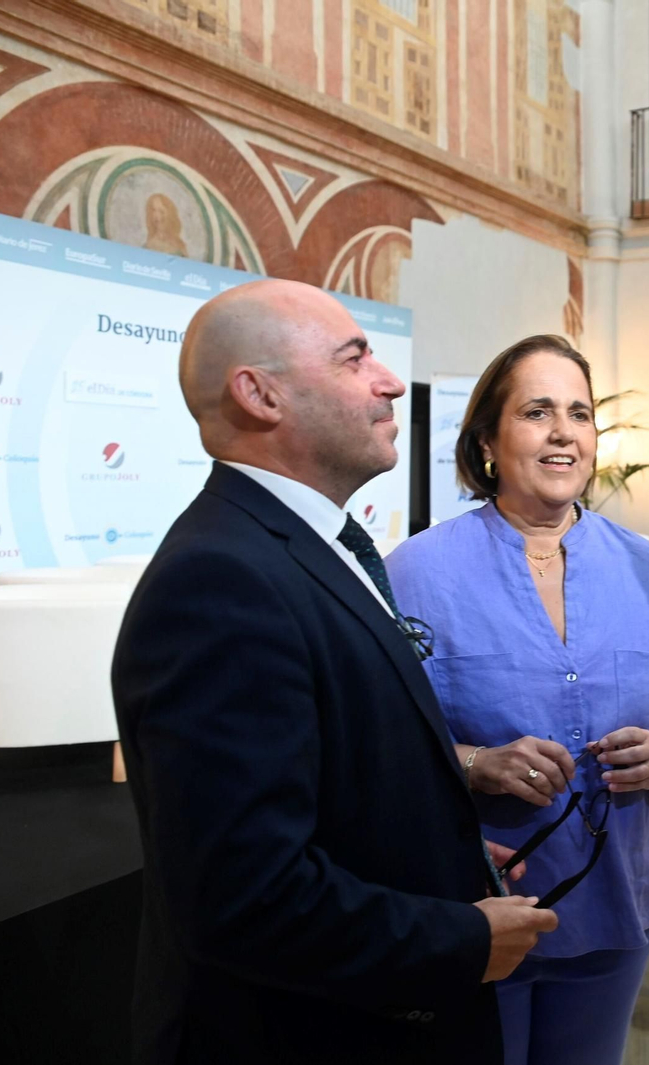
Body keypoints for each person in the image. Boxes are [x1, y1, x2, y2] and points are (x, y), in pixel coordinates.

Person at [111, 280, 557, 1065]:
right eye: (355, 360)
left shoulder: (315, 545)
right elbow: (242, 895)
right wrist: (459, 937)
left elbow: (337, 775)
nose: (390, 382)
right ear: (260, 394)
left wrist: (445, 858)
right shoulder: (219, 581)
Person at [386, 335, 649, 1065]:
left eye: (579, 413)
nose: (564, 432)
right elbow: (375, 740)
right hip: (476, 907)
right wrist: (474, 763)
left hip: (618, 905)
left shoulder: (645, 567)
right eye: (537, 412)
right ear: (487, 443)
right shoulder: (415, 574)